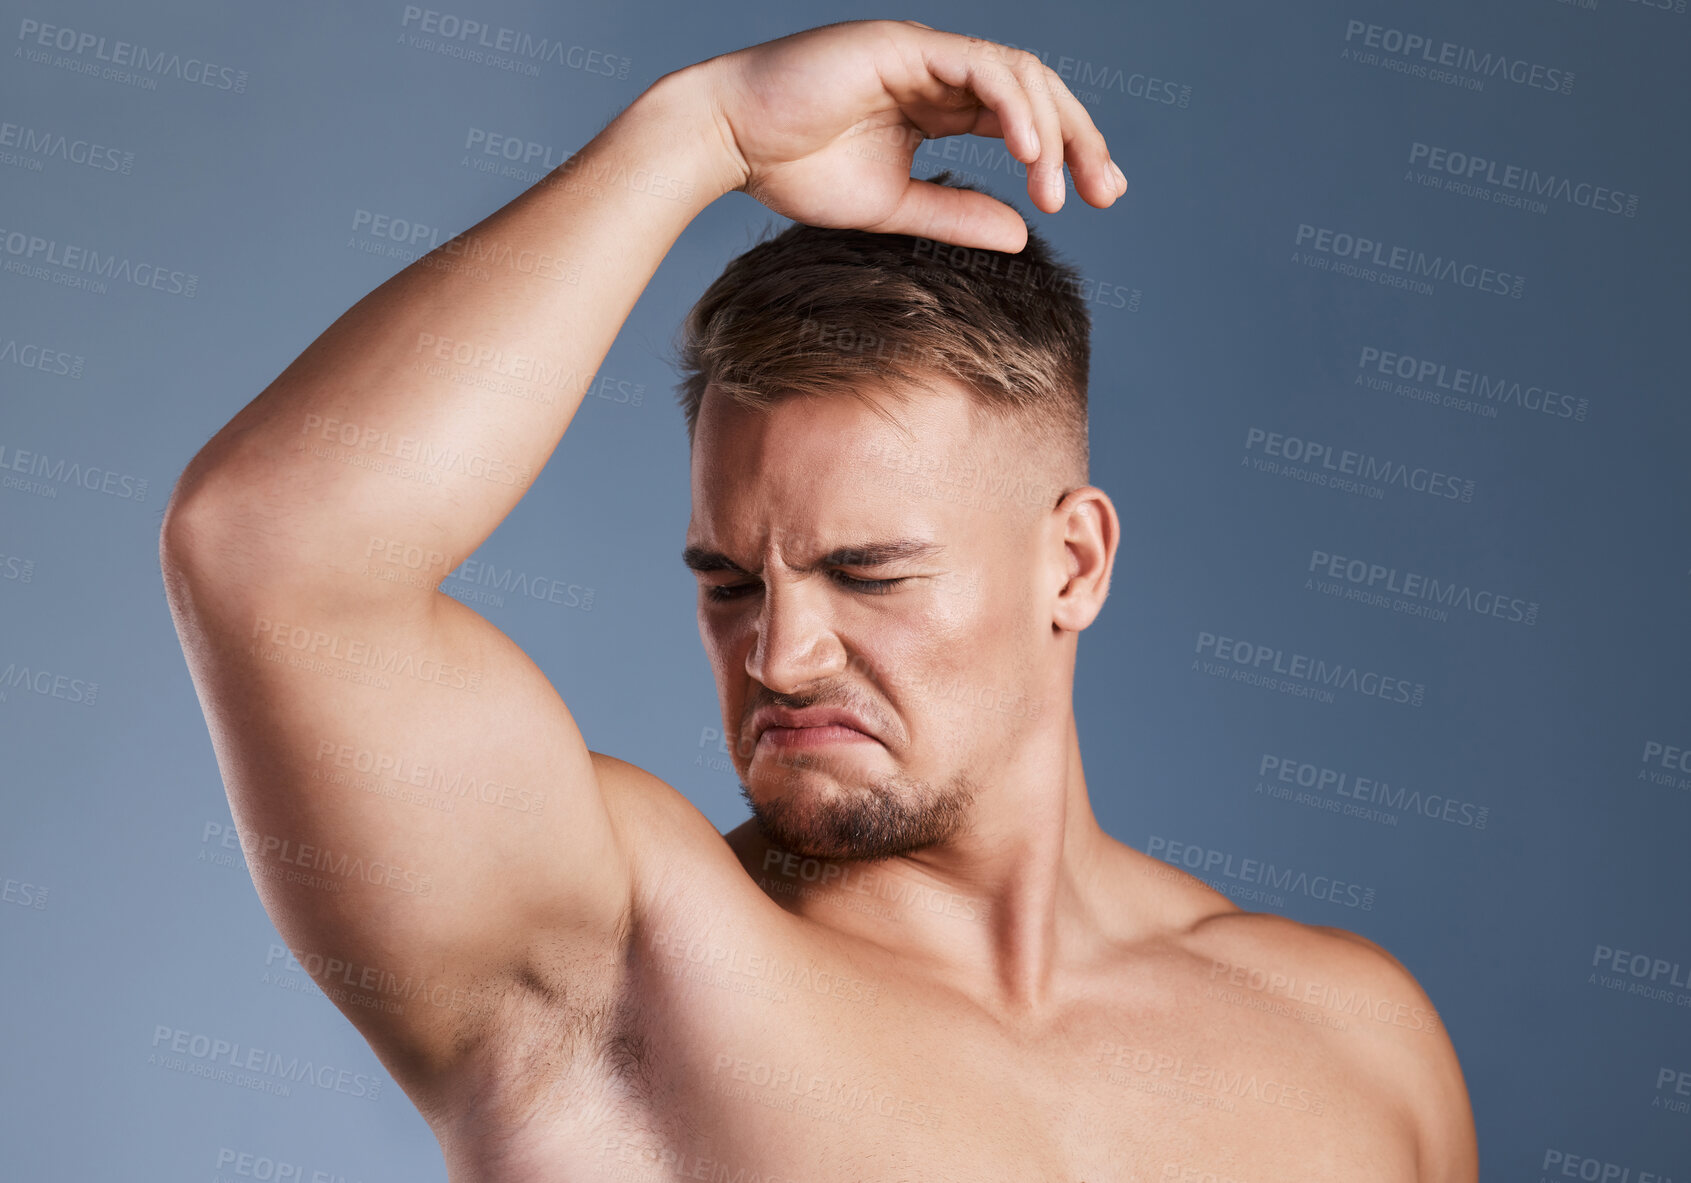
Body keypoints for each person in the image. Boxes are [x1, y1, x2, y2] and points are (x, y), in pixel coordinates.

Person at [160, 18, 1477, 1180]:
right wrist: (702, 130)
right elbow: (272, 552)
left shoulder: (1354, 1047)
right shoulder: (619, 966)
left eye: (869, 574)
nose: (780, 654)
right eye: (729, 582)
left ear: (1072, 564)